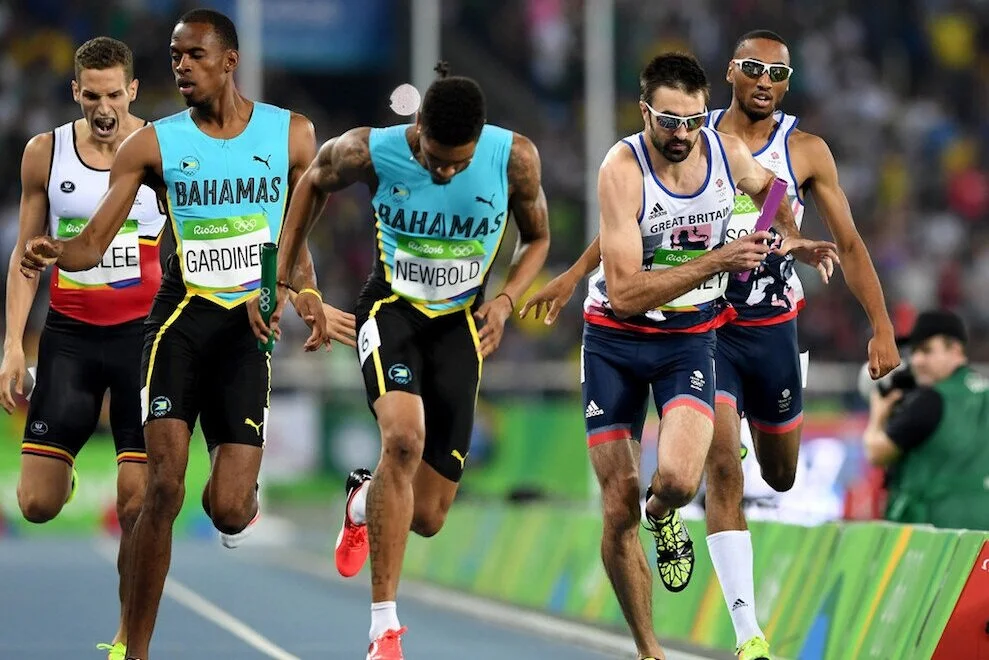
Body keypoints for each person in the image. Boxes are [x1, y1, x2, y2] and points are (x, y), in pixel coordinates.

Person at [523, 32, 899, 660]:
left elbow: (801, 215)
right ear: (729, 75)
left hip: (769, 321)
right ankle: (720, 639)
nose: (763, 80)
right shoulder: (659, 149)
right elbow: (632, 245)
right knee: (695, 476)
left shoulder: (778, 150)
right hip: (690, 324)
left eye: (776, 72)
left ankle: (682, 491)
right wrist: (572, 274)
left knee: (773, 477)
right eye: (752, 68)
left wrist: (795, 240)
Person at [19, 9, 353, 659]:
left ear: (228, 61)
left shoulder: (294, 137)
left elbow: (297, 244)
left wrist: (304, 296)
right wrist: (56, 250)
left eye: (193, 56)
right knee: (162, 488)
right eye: (174, 57)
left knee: (229, 509)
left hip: (247, 332)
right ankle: (132, 648)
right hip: (177, 323)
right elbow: (92, 243)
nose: (180, 67)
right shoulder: (153, 146)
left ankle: (245, 491)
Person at [269, 62, 550, 659]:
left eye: (458, 163)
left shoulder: (515, 158)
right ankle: (384, 629)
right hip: (391, 312)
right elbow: (309, 185)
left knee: (427, 517)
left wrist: (504, 300)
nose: (444, 170)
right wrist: (293, 285)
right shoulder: (370, 150)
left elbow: (538, 238)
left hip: (459, 327)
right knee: (403, 439)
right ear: (416, 126)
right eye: (434, 157)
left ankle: (362, 499)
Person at [0, 37, 163, 660]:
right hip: (69, 337)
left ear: (133, 92)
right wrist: (14, 344)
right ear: (75, 91)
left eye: (114, 96)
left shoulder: (160, 151)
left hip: (141, 341)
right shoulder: (44, 153)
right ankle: (60, 477)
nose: (103, 109)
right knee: (36, 504)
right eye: (91, 96)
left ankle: (126, 636)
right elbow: (26, 255)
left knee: (136, 502)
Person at [865, 310, 989, 531]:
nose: (917, 361)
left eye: (926, 351)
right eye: (914, 352)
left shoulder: (931, 400)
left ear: (956, 351)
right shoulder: (984, 394)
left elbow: (875, 453)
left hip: (935, 537)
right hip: (982, 537)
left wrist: (878, 413)